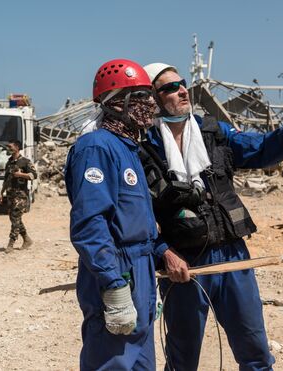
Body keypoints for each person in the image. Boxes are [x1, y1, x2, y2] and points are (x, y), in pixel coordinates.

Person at [141, 63, 283, 371]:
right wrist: (163, 253)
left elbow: (262, 150)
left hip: (232, 256)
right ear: (154, 98)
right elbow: (136, 214)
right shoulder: (144, 149)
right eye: (171, 87)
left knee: (255, 352)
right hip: (184, 265)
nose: (183, 90)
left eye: (183, 83)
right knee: (182, 360)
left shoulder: (214, 133)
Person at [64, 59, 171, 370]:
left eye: (149, 96)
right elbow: (90, 224)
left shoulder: (129, 149)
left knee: (140, 363)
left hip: (140, 270)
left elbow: (137, 221)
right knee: (112, 362)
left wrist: (162, 252)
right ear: (114, 104)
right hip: (118, 273)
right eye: (139, 97)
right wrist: (113, 283)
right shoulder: (96, 148)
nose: (150, 104)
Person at [0, 140, 36, 253]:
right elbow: (6, 179)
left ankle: (11, 243)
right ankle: (26, 239)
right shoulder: (9, 162)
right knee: (14, 218)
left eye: (10, 146)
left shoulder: (25, 162)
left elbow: (34, 175)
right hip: (10, 194)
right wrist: (1, 193)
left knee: (15, 217)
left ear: (17, 147)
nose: (8, 148)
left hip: (21, 195)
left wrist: (21, 175)